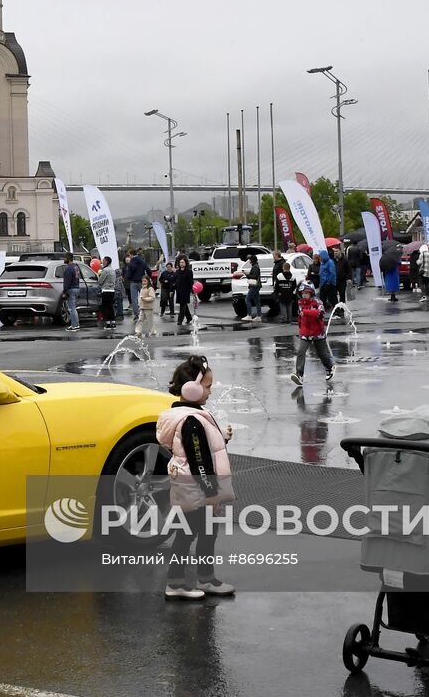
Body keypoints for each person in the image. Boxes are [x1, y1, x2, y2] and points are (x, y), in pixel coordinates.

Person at [155, 355, 235, 600]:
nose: (211, 391)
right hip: (199, 489)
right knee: (197, 533)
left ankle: (197, 578)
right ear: (192, 389)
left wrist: (222, 437)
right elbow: (200, 459)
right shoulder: (191, 421)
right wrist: (211, 493)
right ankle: (186, 581)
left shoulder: (190, 415)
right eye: (208, 386)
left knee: (195, 533)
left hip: (191, 486)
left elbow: (198, 448)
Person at [290, 282, 335, 397]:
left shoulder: (317, 302)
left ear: (311, 293)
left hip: (318, 333)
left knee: (322, 354)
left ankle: (330, 367)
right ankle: (299, 375)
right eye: (302, 293)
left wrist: (306, 312)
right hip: (305, 333)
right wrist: (300, 328)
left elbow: (320, 313)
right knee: (301, 351)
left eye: (306, 293)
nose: (304, 295)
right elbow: (300, 317)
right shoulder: (300, 303)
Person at [60, 253, 81, 331]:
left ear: (68, 258)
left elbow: (67, 281)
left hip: (71, 289)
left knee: (71, 308)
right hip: (76, 287)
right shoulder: (76, 267)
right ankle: (76, 324)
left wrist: (64, 291)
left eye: (64, 258)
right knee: (73, 308)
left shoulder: (68, 268)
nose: (63, 259)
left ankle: (74, 325)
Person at [173, 257, 195, 330]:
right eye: (180, 262)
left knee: (183, 305)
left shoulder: (189, 271)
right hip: (179, 290)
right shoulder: (177, 272)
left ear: (185, 263)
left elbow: (191, 282)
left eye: (182, 262)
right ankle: (189, 318)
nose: (181, 264)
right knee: (183, 304)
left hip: (186, 290)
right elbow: (176, 281)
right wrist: (172, 289)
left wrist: (193, 291)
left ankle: (180, 320)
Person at [125, 249, 147, 321]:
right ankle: (145, 314)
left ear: (131, 254)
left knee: (134, 299)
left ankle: (137, 315)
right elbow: (148, 269)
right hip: (142, 281)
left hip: (133, 282)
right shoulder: (142, 261)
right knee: (144, 297)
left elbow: (128, 274)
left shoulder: (131, 263)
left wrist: (129, 278)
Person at [274, 259, 297, 323]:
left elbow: (276, 286)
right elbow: (294, 286)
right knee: (289, 305)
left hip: (282, 293)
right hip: (290, 293)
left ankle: (284, 318)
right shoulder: (293, 277)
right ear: (289, 268)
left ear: (283, 268)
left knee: (283, 305)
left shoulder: (279, 276)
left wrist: (277, 292)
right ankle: (289, 318)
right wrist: (291, 290)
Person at [97, 256, 118, 329]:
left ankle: (108, 323)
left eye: (103, 261)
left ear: (106, 261)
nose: (102, 262)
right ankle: (113, 323)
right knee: (110, 307)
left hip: (105, 290)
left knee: (105, 307)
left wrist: (99, 275)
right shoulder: (112, 270)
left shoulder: (105, 270)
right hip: (112, 290)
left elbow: (100, 281)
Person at [243, 254, 263, 322]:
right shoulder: (256, 266)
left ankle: (249, 315)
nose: (249, 261)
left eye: (250, 259)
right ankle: (259, 316)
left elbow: (254, 276)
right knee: (257, 301)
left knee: (247, 299)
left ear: (252, 260)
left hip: (254, 286)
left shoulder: (255, 267)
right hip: (257, 286)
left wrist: (247, 275)